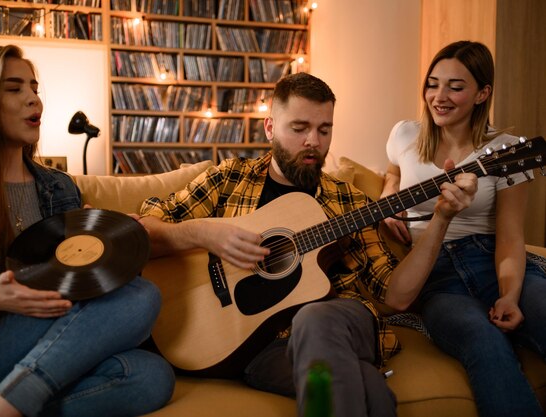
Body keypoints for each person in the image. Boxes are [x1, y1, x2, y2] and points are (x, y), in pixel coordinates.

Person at [137, 72, 477, 417]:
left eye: (324, 129)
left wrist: (442, 218)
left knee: (314, 317)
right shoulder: (229, 178)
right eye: (299, 129)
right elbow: (143, 231)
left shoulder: (350, 201)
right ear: (270, 128)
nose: (313, 141)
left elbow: (396, 295)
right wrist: (203, 233)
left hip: (336, 319)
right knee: (364, 386)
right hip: (255, 347)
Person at [0, 45, 174, 417]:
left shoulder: (59, 187)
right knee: (142, 296)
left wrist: (114, 245)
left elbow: (85, 289)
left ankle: (4, 406)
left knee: (150, 375)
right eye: (14, 88)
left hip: (46, 342)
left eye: (35, 88)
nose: (33, 99)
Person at [380, 40, 546, 417]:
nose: (439, 96)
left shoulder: (507, 151)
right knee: (483, 341)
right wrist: (388, 203)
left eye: (456, 87)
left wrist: (509, 294)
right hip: (436, 278)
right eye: (433, 84)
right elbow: (391, 170)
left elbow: (510, 235)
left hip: (492, 258)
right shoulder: (405, 135)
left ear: (482, 93)